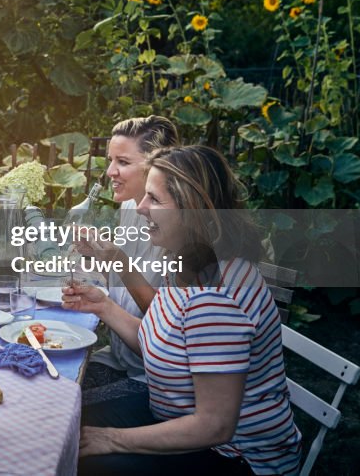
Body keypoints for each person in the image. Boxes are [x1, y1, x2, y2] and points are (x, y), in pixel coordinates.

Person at [63, 145, 301, 475]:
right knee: (65, 423)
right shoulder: (186, 262)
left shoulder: (216, 298)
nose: (142, 207)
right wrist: (102, 306)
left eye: (155, 200)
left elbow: (215, 426)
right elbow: (157, 341)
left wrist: (113, 439)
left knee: (84, 461)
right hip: (175, 419)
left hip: (234, 455)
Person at [76, 115, 178, 389]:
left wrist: (118, 261)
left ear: (156, 167)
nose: (110, 171)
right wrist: (95, 256)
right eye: (111, 160)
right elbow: (121, 286)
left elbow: (166, 319)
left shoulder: (174, 224)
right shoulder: (131, 209)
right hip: (120, 359)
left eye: (123, 162)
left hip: (152, 378)